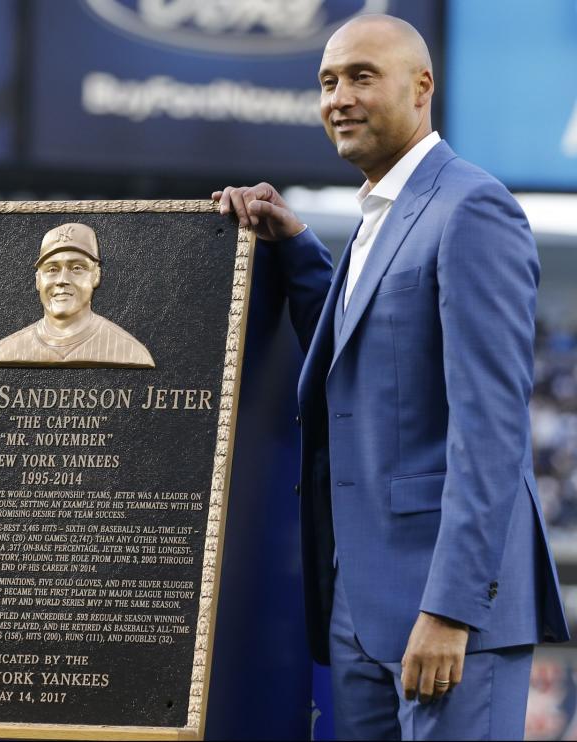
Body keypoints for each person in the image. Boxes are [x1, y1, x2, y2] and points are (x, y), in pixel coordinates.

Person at [213, 14, 568, 741]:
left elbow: (491, 426)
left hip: (445, 609)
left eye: (361, 76)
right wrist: (299, 246)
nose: (338, 97)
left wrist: (451, 609)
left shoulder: (472, 207)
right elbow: (364, 360)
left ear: (421, 87)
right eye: (327, 81)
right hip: (358, 603)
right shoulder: (380, 215)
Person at [0, 222, 154, 368]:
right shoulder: (4, 352)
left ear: (96, 276)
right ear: (38, 280)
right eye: (52, 269)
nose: (62, 280)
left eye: (77, 268)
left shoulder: (128, 352)